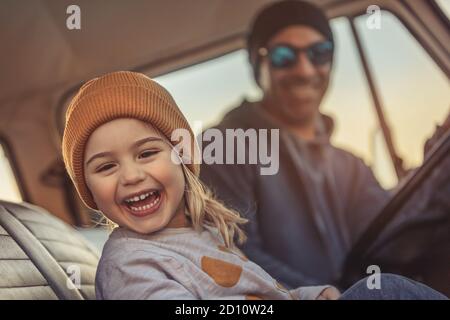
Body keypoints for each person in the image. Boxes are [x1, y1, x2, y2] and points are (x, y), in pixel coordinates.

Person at [60, 71, 447, 300]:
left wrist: (306, 294)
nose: (130, 175)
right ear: (88, 189)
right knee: (382, 292)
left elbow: (259, 294)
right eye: (106, 166)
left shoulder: (204, 234)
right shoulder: (128, 265)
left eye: (146, 154)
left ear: (182, 155)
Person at [200, 0, 391, 289]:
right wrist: (324, 296)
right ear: (258, 64)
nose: (304, 70)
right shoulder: (224, 147)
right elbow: (234, 255)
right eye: (283, 56)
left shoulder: (350, 166)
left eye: (319, 53)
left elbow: (392, 240)